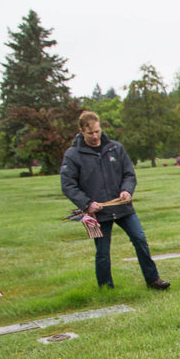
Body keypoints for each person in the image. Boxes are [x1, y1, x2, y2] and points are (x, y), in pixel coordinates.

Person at [61, 111, 170, 290]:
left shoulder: (115, 148)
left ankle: (153, 280)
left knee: (140, 239)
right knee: (102, 251)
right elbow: (68, 185)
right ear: (81, 131)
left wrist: (127, 190)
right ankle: (106, 288)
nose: (95, 136)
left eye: (97, 131)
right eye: (90, 133)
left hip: (122, 208)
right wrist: (87, 204)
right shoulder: (72, 155)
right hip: (96, 213)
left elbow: (129, 173)